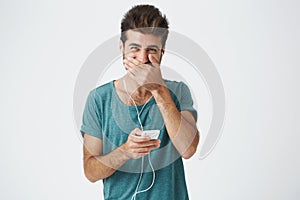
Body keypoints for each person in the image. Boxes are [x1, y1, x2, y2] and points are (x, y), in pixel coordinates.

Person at [81, 4, 200, 200]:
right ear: (122, 48)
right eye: (135, 49)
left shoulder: (178, 91)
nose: (143, 59)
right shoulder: (98, 99)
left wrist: (159, 90)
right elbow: (90, 171)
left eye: (151, 50)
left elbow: (188, 149)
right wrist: (125, 152)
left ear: (162, 52)